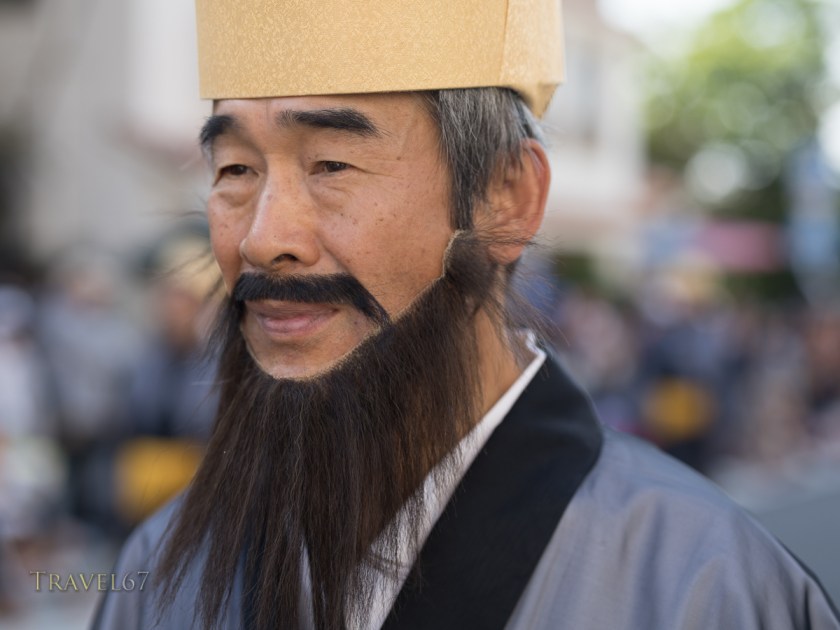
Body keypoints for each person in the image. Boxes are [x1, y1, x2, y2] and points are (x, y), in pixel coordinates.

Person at [93, 1, 840, 628]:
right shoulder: (162, 569)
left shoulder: (700, 589)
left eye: (331, 165)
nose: (261, 238)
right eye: (235, 171)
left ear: (506, 198)